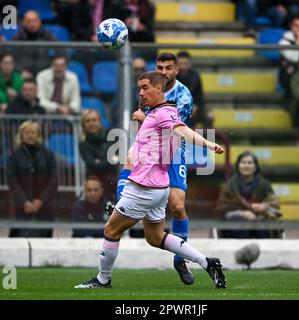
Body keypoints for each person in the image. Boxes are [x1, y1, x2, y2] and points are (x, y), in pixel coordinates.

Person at [74, 71, 226, 289]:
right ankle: (207, 262)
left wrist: (209, 144)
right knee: (155, 237)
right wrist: (144, 119)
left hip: (143, 188)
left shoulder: (165, 113)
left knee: (110, 230)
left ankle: (102, 279)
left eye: (145, 87)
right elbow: (161, 133)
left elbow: (183, 131)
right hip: (158, 187)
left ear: (159, 89)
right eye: (139, 88)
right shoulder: (157, 113)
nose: (141, 92)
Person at [114, 53, 195, 286]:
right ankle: (121, 205)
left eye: (169, 67)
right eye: (160, 67)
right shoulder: (148, 88)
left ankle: (181, 259)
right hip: (148, 144)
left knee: (177, 206)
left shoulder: (183, 95)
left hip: (173, 148)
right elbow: (144, 126)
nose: (165, 72)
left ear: (176, 70)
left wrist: (144, 116)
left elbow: (174, 129)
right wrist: (142, 121)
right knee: (129, 156)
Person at [7, 121, 58, 238]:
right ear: (21, 135)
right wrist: (25, 201)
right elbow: (12, 181)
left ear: (38, 135)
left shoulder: (48, 155)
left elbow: (53, 180)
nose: (30, 135)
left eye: (33, 132)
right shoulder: (14, 156)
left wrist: (41, 200)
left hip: (44, 207)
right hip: (21, 207)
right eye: (27, 132)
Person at [215, 151, 282, 239]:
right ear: (238, 165)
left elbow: (275, 205)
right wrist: (242, 213)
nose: (246, 165)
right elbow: (222, 208)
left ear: (255, 166)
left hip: (260, 218)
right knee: (239, 225)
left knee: (263, 228)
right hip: (235, 219)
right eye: (243, 163)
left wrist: (264, 206)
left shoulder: (264, 184)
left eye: (250, 163)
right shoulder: (229, 186)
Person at [79, 109, 118, 199]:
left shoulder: (112, 135)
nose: (91, 123)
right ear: (83, 124)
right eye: (88, 121)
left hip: (112, 181)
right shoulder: (83, 144)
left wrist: (98, 161)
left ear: (100, 121)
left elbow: (114, 161)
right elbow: (92, 164)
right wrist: (106, 159)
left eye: (94, 120)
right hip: (94, 184)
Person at [12, 10, 57, 78]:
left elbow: (59, 52)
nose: (32, 24)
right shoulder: (18, 37)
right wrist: (20, 71)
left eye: (35, 21)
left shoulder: (48, 35)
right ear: (24, 22)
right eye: (29, 21)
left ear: (40, 22)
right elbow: (12, 57)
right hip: (24, 75)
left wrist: (50, 69)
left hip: (45, 74)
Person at [176, 51, 213, 129]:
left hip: (194, 107)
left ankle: (209, 140)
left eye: (185, 64)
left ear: (190, 64)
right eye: (180, 64)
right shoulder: (172, 77)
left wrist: (195, 106)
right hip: (176, 109)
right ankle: (183, 139)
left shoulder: (195, 76)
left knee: (209, 116)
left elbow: (199, 96)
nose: (183, 67)